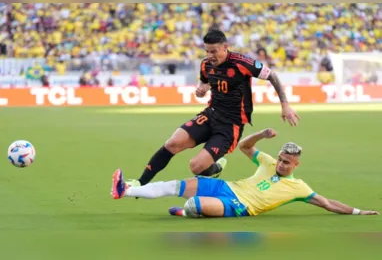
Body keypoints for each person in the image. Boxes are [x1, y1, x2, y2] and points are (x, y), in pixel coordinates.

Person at [125, 29, 300, 188]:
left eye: (214, 51)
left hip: (231, 124)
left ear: (225, 47)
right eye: (207, 51)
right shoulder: (205, 64)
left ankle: (215, 168)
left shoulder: (242, 63)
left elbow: (272, 76)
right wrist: (202, 88)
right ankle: (139, 183)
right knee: (172, 143)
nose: (210, 55)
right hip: (211, 114)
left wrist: (285, 105)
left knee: (196, 166)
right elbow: (205, 80)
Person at [111, 128, 379, 217]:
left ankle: (185, 213)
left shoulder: (299, 187)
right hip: (228, 187)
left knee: (192, 204)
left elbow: (327, 203)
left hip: (240, 205)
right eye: (282, 159)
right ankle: (125, 191)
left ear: (296, 165)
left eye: (287, 162)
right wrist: (262, 134)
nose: (282, 164)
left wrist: (357, 211)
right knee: (173, 186)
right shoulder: (268, 162)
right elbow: (243, 146)